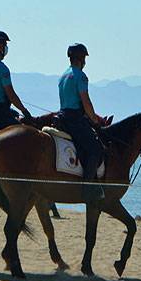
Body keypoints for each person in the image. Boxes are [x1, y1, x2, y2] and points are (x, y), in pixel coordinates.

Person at [57, 43, 106, 203]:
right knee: (96, 148)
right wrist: (95, 120)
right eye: (84, 58)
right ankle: (87, 188)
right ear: (81, 58)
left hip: (62, 118)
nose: (85, 61)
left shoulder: (63, 76)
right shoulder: (80, 76)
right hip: (75, 120)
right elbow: (86, 101)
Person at [0, 31, 31, 130]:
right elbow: (11, 95)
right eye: (5, 45)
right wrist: (24, 111)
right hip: (0, 114)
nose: (6, 48)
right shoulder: (2, 68)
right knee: (24, 133)